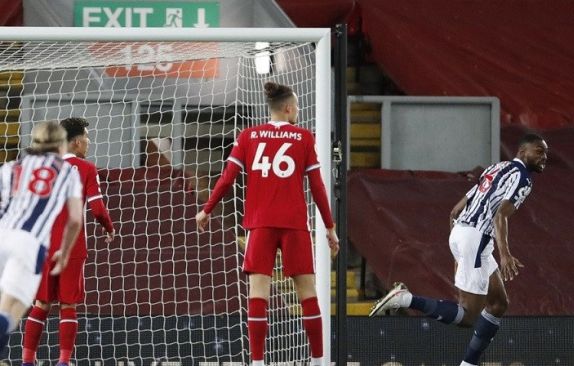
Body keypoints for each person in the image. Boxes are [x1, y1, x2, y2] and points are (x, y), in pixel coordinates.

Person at [369, 133, 548, 366]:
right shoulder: (523, 177)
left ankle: (468, 364)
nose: (545, 157)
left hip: (463, 234)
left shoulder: (496, 168)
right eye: (540, 151)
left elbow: (454, 211)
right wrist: (504, 255)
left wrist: (459, 251)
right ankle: (405, 299)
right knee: (468, 316)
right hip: (476, 239)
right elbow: (501, 214)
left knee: (498, 304)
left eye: (546, 153)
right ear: (523, 152)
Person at [195, 82, 339, 366]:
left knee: (258, 293)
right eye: (296, 106)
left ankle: (258, 362)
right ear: (287, 109)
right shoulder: (303, 137)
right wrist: (329, 227)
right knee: (307, 292)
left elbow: (227, 178)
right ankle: (318, 360)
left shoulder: (248, 136)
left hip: (260, 224)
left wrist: (206, 209)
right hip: (294, 223)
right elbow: (318, 187)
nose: (297, 111)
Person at [21, 117, 115, 366]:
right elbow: (97, 208)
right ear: (75, 142)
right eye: (87, 137)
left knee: (41, 303)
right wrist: (109, 227)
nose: (89, 142)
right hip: (71, 246)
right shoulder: (86, 169)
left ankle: (27, 360)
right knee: (68, 304)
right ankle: (64, 362)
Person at [0, 121, 83, 356]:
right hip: (28, 244)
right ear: (62, 145)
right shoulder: (67, 171)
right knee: (9, 314)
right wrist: (65, 252)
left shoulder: (10, 168)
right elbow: (75, 219)